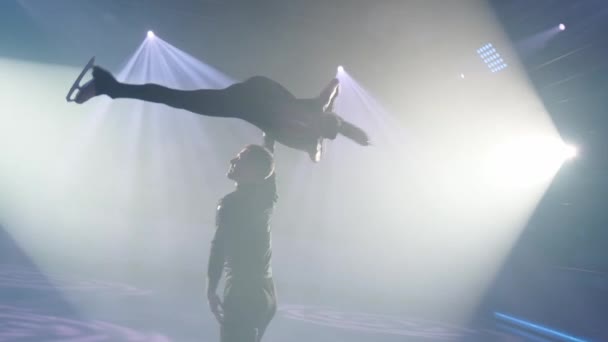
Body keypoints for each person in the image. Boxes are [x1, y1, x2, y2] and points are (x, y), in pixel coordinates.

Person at [70, 65, 370, 161]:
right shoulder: (315, 118)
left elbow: (333, 87)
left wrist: (341, 127)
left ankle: (109, 86)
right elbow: (332, 87)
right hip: (246, 96)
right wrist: (343, 129)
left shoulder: (311, 129)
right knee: (174, 98)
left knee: (175, 98)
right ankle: (108, 86)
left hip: (240, 100)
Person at [207, 144, 278, 342]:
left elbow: (218, 248)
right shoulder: (267, 197)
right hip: (267, 292)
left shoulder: (231, 204)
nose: (232, 161)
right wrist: (269, 139)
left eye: (240, 159)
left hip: (243, 293)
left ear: (253, 171)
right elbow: (269, 169)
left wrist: (211, 290)